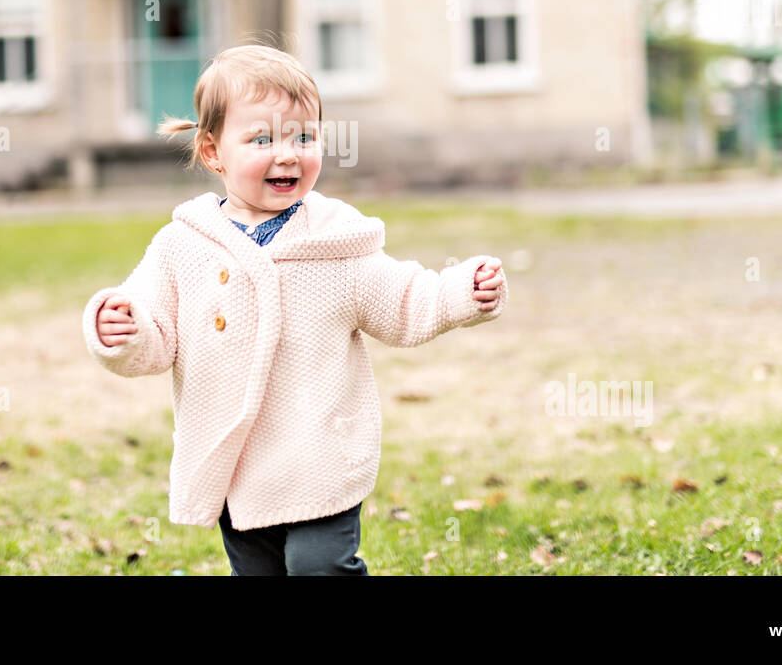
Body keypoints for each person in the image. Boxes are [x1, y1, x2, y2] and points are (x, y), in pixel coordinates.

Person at [83, 43, 508, 575]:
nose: (287, 153)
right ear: (214, 153)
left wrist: (461, 292)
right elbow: (153, 331)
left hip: (320, 456)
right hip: (238, 461)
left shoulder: (336, 244)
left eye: (303, 137)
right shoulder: (183, 245)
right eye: (262, 139)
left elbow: (402, 300)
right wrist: (120, 327)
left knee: (317, 567)